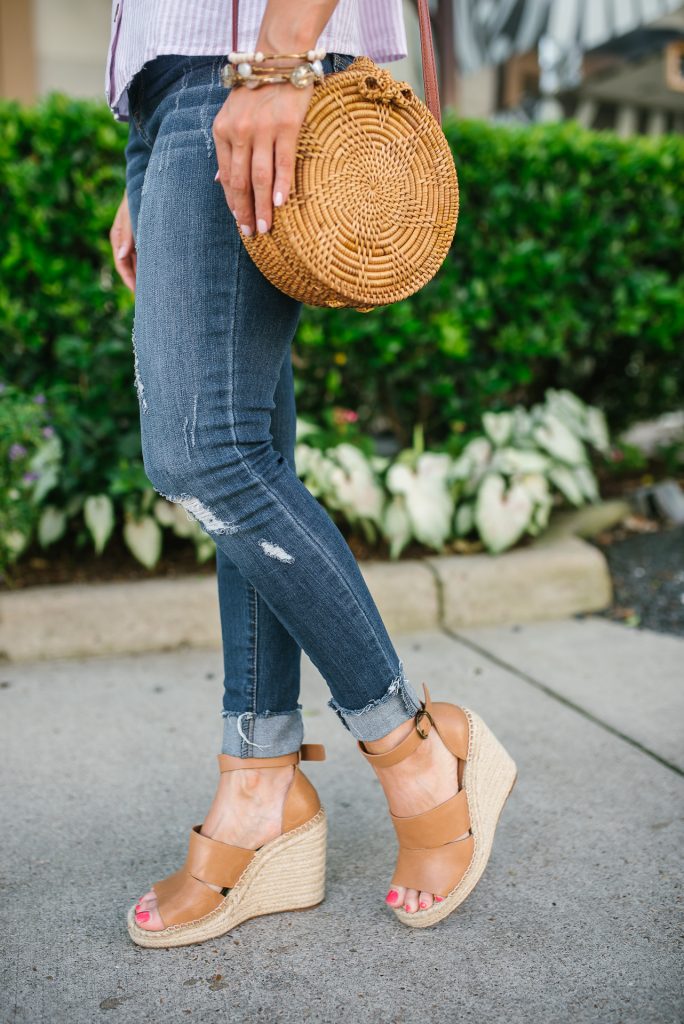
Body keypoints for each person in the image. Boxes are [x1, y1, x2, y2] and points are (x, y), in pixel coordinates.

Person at [107, 0, 516, 946]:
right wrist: (150, 143)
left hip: (249, 65)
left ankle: (417, 750)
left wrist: (281, 60)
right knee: (247, 445)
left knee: (206, 455)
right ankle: (259, 784)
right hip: (178, 88)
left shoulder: (266, 66)